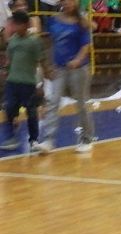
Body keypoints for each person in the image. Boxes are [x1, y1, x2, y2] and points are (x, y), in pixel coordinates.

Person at [33, 0, 95, 154]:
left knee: (81, 104)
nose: (68, 3)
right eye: (65, 0)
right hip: (59, 68)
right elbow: (50, 43)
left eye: (71, 1)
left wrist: (77, 60)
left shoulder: (81, 22)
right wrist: (48, 64)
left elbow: (85, 45)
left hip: (79, 69)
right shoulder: (53, 20)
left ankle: (86, 139)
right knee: (53, 102)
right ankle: (48, 140)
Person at [0, 10, 45, 151]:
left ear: (26, 25)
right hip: (13, 82)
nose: (15, 27)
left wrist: (39, 84)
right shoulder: (12, 41)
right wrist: (5, 71)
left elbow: (39, 63)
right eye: (14, 24)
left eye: (18, 24)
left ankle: (34, 140)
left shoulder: (34, 41)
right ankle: (10, 137)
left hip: (29, 83)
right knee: (10, 107)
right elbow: (9, 60)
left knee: (31, 112)